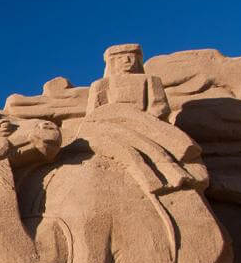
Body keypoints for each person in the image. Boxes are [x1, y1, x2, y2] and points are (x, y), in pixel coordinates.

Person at [83, 43, 206, 194]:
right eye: (121, 57)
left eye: (132, 56)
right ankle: (164, 172)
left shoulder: (151, 80)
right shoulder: (102, 84)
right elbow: (94, 113)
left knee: (156, 137)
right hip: (113, 124)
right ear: (112, 62)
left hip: (145, 121)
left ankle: (179, 159)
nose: (128, 60)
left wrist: (142, 117)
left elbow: (160, 106)